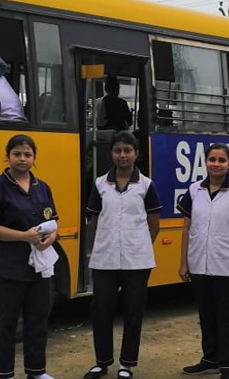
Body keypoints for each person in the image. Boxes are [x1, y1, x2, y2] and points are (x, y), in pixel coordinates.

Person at [0, 134, 59, 379]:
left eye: (27, 154)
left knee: (37, 320)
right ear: (8, 156)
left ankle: (37, 371)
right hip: (9, 267)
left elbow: (53, 221)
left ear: (34, 158)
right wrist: (23, 236)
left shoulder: (42, 187)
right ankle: (4, 373)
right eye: (17, 154)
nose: (22, 159)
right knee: (7, 323)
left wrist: (51, 238)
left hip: (39, 267)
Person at [84, 132, 162, 379]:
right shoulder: (100, 184)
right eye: (117, 150)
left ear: (136, 154)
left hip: (137, 260)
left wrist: (140, 245)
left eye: (127, 150)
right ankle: (101, 361)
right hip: (104, 258)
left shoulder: (146, 185)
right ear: (111, 154)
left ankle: (126, 363)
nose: (122, 155)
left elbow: (154, 223)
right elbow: (93, 220)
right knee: (101, 310)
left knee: (133, 311)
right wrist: (97, 246)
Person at [178, 143, 229, 379]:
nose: (216, 164)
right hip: (199, 265)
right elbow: (187, 227)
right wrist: (183, 262)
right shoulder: (194, 190)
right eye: (212, 159)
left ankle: (227, 365)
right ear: (205, 162)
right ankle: (209, 358)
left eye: (222, 160)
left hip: (226, 266)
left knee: (226, 318)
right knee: (206, 315)